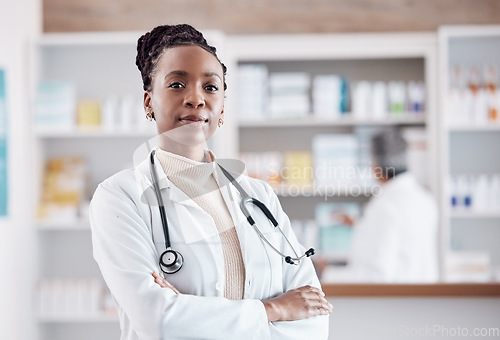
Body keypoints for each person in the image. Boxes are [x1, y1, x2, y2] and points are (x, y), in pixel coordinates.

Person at [89, 24, 331, 340]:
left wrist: (191, 311)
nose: (196, 99)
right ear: (149, 102)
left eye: (211, 87)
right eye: (177, 84)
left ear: (222, 107)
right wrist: (274, 310)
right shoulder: (120, 197)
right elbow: (158, 320)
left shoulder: (259, 196)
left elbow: (312, 319)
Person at [321, 130, 438, 283]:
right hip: (424, 295)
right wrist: (361, 226)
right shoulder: (425, 199)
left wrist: (327, 272)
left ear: (376, 168)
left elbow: (377, 275)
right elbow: (402, 243)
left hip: (394, 301)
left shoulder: (385, 206)